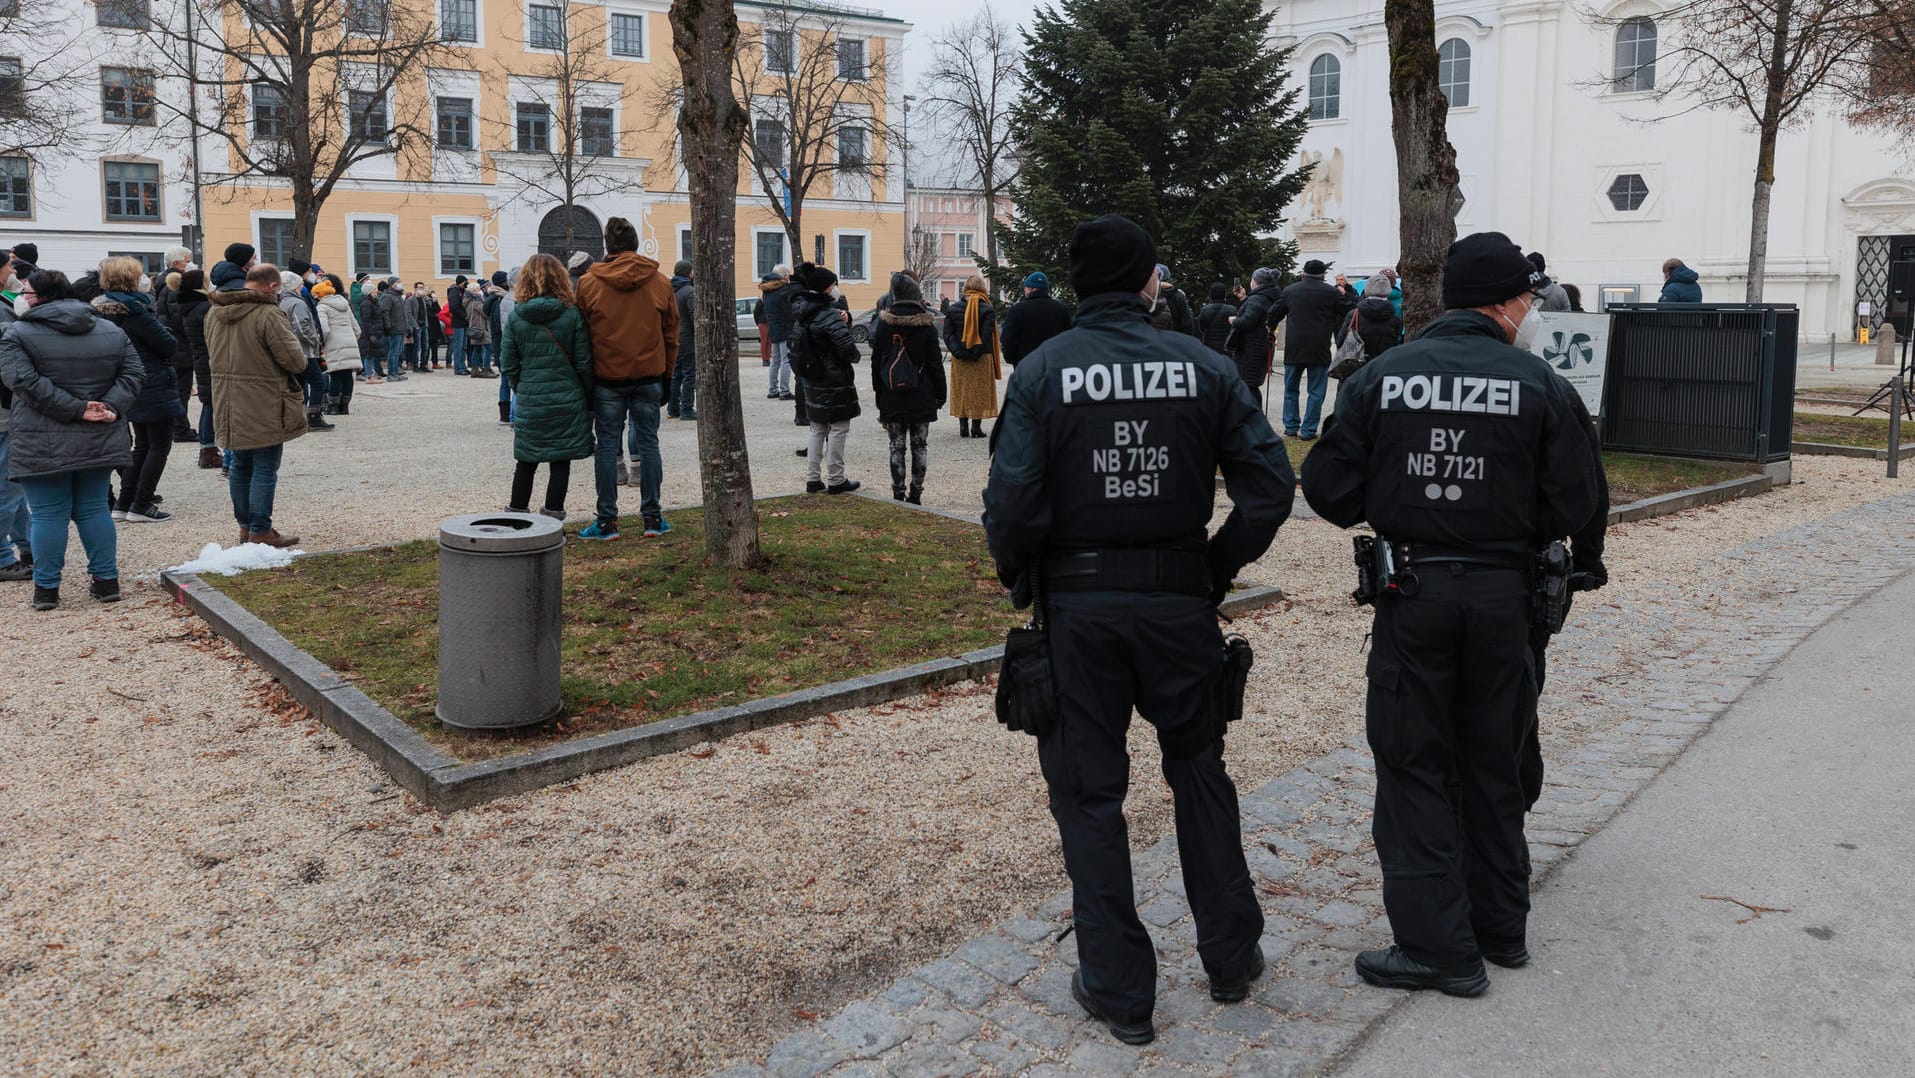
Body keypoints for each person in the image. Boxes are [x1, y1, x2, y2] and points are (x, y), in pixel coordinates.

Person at [982, 214, 1295, 1046]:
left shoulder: (1044, 371)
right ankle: (1231, 958)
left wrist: (1023, 578)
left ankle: (1121, 992)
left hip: (1079, 612)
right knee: (1198, 772)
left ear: (1079, 285)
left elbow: (1011, 503)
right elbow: (1268, 487)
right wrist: (1214, 567)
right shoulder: (1203, 366)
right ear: (1149, 281)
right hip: (1174, 604)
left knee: (1089, 797)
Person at [1299, 231, 1606, 998]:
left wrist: (1399, 498)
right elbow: (1580, 500)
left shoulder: (1382, 376)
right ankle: (1498, 930)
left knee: (1412, 768)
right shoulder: (1537, 383)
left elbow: (1329, 489)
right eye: (1528, 299)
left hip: (1416, 594)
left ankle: (1438, 946)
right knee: (1494, 762)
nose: (1532, 310)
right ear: (1503, 303)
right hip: (1507, 602)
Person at [0, 269, 143, 610]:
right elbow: (134, 374)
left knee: (49, 514)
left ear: (42, 297)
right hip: (99, 432)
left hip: (42, 435)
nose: (22, 295)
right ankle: (106, 581)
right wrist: (106, 407)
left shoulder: (18, 333)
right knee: (94, 509)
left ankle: (47, 588)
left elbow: (22, 382)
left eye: (28, 292)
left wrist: (77, 409)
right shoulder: (110, 330)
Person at [576, 215, 677, 540]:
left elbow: (582, 336)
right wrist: (668, 375)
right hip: (649, 375)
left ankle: (607, 521)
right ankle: (652, 517)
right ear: (635, 244)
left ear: (608, 246)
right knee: (648, 444)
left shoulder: (590, 283)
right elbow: (672, 335)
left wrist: (587, 379)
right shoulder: (660, 281)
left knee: (607, 445)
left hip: (608, 377)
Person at [205, 264, 310, 549]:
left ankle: (245, 527)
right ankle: (261, 529)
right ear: (273, 286)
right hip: (263, 398)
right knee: (265, 465)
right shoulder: (267, 313)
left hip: (227, 397)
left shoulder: (214, 313)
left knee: (239, 464)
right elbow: (294, 360)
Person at [499, 254, 593, 520]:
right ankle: (552, 516)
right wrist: (584, 393)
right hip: (566, 395)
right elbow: (584, 361)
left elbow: (508, 363)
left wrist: (523, 387)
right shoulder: (571, 314)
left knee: (526, 461)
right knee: (560, 461)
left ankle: (517, 514)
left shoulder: (517, 317)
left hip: (531, 395)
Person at [88, 258, 181, 522]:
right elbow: (168, 345)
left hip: (124, 382)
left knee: (142, 445)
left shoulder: (99, 310)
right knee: (158, 445)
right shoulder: (135, 310)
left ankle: (126, 501)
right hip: (150, 379)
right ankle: (141, 503)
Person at [869, 273, 945, 503]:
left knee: (896, 446)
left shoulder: (883, 325)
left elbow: (876, 363)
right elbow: (935, 365)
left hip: (892, 394)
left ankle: (898, 492)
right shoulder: (927, 326)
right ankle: (916, 494)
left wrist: (878, 393)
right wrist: (940, 395)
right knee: (920, 446)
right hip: (921, 394)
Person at [787, 262, 861, 493]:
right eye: (833, 285)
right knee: (839, 427)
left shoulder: (803, 311)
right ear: (827, 289)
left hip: (812, 376)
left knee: (817, 427)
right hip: (833, 377)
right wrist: (845, 325)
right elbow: (848, 349)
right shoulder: (828, 315)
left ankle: (812, 478)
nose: (836, 288)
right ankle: (836, 479)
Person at [1266, 259, 1356, 440]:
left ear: (1303, 273)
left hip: (1294, 346)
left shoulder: (1290, 290)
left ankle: (1291, 426)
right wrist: (1345, 293)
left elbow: (1274, 313)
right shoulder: (1331, 292)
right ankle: (1308, 429)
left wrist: (1270, 326)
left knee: (1290, 388)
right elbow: (1350, 308)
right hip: (1319, 347)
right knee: (1316, 391)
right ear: (1323, 275)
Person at [943, 274, 1002, 439]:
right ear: (982, 288)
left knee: (962, 390)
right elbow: (985, 335)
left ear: (965, 289)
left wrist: (958, 352)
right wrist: (974, 353)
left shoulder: (953, 309)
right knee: (979, 392)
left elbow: (948, 335)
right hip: (982, 358)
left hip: (959, 359)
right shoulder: (987, 309)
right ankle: (976, 428)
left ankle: (963, 426)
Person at [279, 270, 334, 431]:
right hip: (305, 351)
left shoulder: (283, 302)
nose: (303, 286)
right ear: (294, 286)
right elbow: (301, 327)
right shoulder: (297, 303)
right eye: (300, 284)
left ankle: (299, 418)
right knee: (317, 383)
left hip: (292, 350)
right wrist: (315, 341)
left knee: (299, 384)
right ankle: (314, 417)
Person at [177, 270, 220, 470]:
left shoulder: (189, 305)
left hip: (201, 357)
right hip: (209, 358)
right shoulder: (203, 307)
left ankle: (208, 448)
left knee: (208, 401)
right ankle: (208, 449)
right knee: (210, 403)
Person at [156, 245, 197, 443]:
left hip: (174, 345)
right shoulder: (175, 285)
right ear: (176, 264)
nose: (190, 264)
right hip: (180, 346)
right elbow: (179, 318)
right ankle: (180, 429)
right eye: (187, 260)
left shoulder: (163, 282)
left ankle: (179, 427)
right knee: (181, 389)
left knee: (177, 389)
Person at [1223, 267, 1281, 394]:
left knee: (1247, 386)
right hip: (1260, 346)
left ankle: (1250, 413)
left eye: (1252, 279)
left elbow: (1247, 321)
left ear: (1257, 282)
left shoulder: (1258, 299)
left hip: (1250, 348)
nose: (1251, 282)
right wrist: (1243, 298)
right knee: (1251, 385)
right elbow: (1256, 313)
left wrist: (1233, 320)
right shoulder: (1267, 297)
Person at [1000, 271, 1072, 367]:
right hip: (1054, 366)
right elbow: (1067, 339)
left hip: (1025, 367)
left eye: (1026, 287)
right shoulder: (1061, 309)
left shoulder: (1018, 310)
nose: (1024, 290)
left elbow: (1008, 339)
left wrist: (1013, 359)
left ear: (1030, 289)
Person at [313, 276, 362, 414]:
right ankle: (344, 406)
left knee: (335, 374)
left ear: (320, 294)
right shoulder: (344, 304)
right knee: (347, 374)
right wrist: (351, 340)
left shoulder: (322, 307)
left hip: (334, 342)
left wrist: (322, 343)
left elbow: (325, 329)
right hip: (350, 340)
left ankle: (333, 407)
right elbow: (357, 329)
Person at [668, 260, 698, 421]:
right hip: (687, 339)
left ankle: (673, 407)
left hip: (674, 338)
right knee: (689, 374)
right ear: (688, 273)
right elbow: (694, 315)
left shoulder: (669, 290)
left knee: (676, 374)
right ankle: (687, 408)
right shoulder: (689, 291)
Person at [762, 266, 797, 400]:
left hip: (773, 328)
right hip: (784, 328)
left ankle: (772, 389)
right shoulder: (782, 290)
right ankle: (784, 391)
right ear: (784, 276)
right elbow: (788, 311)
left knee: (775, 360)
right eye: (788, 275)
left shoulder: (767, 290)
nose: (789, 278)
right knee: (786, 360)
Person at [1354, 291, 1404, 363]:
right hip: (1385, 359)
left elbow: (1343, 337)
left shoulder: (1355, 314)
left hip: (1360, 360)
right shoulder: (1394, 317)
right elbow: (1397, 339)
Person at [376, 278, 410, 383]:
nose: (399, 284)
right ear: (392, 285)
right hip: (394, 328)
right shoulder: (388, 297)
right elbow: (384, 312)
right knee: (393, 352)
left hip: (401, 328)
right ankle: (391, 374)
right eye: (397, 282)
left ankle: (395, 372)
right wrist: (388, 326)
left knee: (398, 352)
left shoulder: (398, 296)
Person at [1148, 264, 1195, 335]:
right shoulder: (1178, 295)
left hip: (1148, 339)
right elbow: (1187, 323)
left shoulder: (1144, 294)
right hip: (1174, 339)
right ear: (1168, 278)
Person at [462, 280, 494, 377]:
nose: (480, 291)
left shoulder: (469, 301)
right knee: (487, 348)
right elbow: (485, 313)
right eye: (477, 289)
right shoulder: (476, 302)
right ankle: (486, 369)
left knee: (476, 349)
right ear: (473, 291)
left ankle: (475, 370)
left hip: (475, 328)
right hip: (481, 328)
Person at [1196, 282, 1236, 355]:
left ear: (1211, 294)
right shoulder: (1232, 309)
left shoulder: (1204, 310)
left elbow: (1201, 328)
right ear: (1224, 294)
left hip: (1209, 347)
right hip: (1227, 347)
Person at [447, 275, 470, 374]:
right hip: (458, 322)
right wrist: (464, 316)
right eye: (465, 282)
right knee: (458, 346)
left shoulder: (462, 291)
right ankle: (458, 368)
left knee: (464, 346)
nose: (466, 284)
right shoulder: (454, 291)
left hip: (464, 322)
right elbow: (453, 307)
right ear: (461, 282)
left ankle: (463, 366)